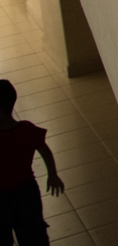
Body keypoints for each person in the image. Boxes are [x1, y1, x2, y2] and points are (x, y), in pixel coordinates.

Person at [0, 79, 63, 245]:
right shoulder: (27, 130)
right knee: (33, 235)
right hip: (27, 192)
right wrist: (53, 175)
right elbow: (46, 152)